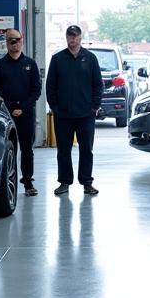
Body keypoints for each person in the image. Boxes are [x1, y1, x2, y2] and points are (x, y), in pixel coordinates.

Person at [45, 24, 103, 197]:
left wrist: (95, 106)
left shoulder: (90, 58)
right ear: (66, 37)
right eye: (70, 36)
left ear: (80, 37)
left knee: (86, 150)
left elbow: (98, 84)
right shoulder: (57, 59)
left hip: (86, 114)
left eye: (76, 36)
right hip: (63, 115)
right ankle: (64, 182)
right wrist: (55, 107)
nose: (73, 39)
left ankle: (87, 183)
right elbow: (50, 86)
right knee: (63, 150)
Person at [0, 29, 42, 196]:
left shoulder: (30, 64)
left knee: (27, 148)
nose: (15, 43)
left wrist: (23, 107)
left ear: (22, 40)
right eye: (11, 40)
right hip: (6, 114)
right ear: (6, 42)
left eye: (17, 39)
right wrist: (9, 108)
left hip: (26, 113)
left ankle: (28, 183)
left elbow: (36, 90)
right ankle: (3, 184)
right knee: (5, 149)